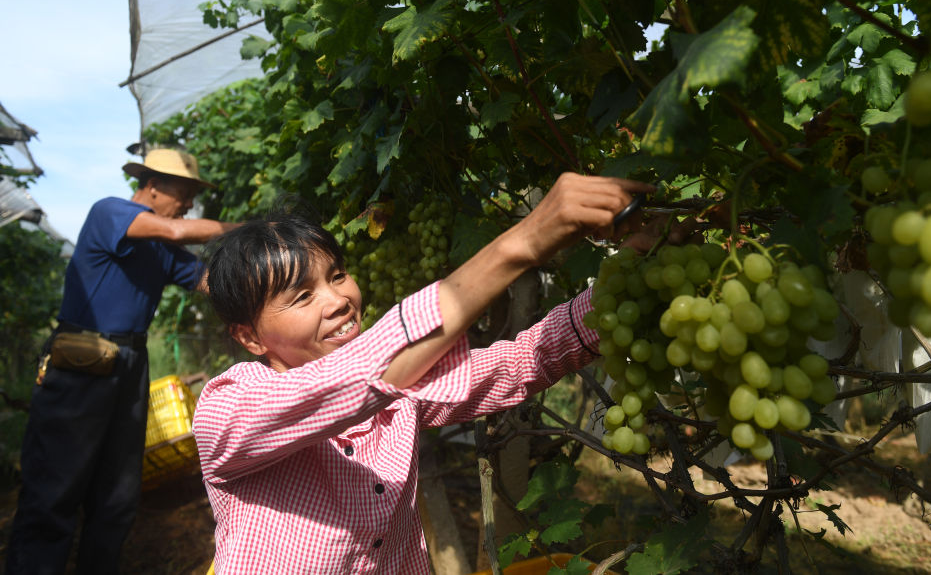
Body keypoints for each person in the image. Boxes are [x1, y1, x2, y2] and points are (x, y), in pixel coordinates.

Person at [192, 172, 652, 574]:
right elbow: (358, 378)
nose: (337, 301)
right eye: (301, 297)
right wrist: (523, 242)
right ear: (250, 338)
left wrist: (633, 274)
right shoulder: (229, 411)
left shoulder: (399, 393)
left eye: (336, 276)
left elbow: (519, 363)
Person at [6, 147, 240, 575]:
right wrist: (249, 230)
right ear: (152, 186)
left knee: (118, 493)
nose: (188, 203)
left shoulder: (160, 250)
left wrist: (268, 274)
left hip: (130, 364)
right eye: (184, 192)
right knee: (54, 490)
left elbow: (210, 281)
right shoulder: (110, 212)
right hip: (82, 359)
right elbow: (173, 230)